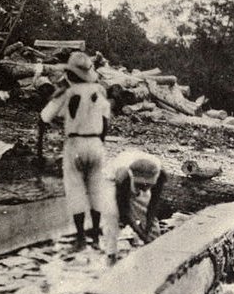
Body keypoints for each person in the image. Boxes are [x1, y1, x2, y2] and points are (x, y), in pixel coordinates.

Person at [38, 51, 111, 252]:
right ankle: (96, 234)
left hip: (75, 143)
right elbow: (105, 123)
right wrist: (100, 143)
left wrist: (40, 149)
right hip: (96, 143)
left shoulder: (66, 93)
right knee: (96, 188)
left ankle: (80, 237)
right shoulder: (100, 91)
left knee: (75, 189)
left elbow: (44, 117)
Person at [103, 150, 167, 264]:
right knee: (112, 214)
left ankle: (157, 251)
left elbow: (153, 205)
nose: (144, 188)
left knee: (150, 223)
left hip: (134, 178)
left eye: (148, 185)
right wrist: (142, 235)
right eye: (140, 185)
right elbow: (125, 212)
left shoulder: (161, 174)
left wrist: (147, 232)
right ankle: (111, 255)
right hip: (112, 181)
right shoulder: (122, 176)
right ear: (133, 178)